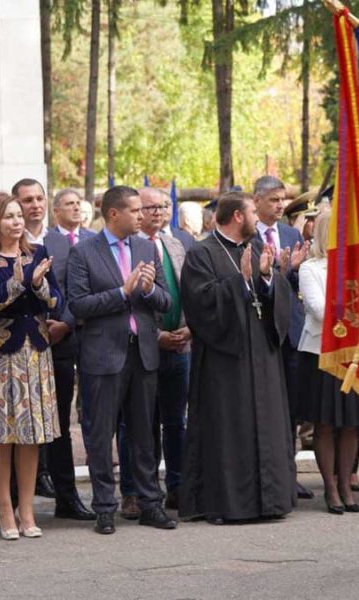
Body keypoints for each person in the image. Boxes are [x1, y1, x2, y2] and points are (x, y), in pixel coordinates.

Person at [179, 191, 295, 523]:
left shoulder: (257, 247)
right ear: (238, 217)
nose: (259, 219)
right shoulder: (201, 253)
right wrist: (240, 281)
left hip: (262, 353)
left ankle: (271, 501)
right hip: (225, 361)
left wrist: (269, 277)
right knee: (229, 428)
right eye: (253, 213)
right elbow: (200, 303)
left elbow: (275, 295)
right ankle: (225, 504)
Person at [68, 185, 176, 536]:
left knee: (145, 433)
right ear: (114, 214)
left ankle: (149, 504)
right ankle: (104, 507)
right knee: (100, 435)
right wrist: (121, 293)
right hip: (103, 355)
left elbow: (165, 302)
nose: (142, 216)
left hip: (143, 353)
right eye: (135, 210)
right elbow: (79, 306)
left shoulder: (146, 247)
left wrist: (147, 290)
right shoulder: (84, 252)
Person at [0, 192, 62, 540]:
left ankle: (27, 509)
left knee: (29, 435)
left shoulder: (38, 253)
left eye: (19, 215)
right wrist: (18, 281)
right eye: (8, 216)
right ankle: (5, 508)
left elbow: (56, 301)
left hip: (34, 353)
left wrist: (38, 283)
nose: (17, 221)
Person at [13, 179, 96, 520]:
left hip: (60, 341)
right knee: (19, 426)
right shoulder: (8, 243)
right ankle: (18, 503)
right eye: (26, 200)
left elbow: (74, 288)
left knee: (59, 423)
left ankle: (67, 498)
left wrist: (65, 323)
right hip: (18, 347)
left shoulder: (61, 242)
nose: (34, 205)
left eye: (39, 198)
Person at [296, 210, 359, 514]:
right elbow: (318, 309)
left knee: (352, 424)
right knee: (325, 424)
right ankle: (329, 487)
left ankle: (345, 484)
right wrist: (354, 310)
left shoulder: (358, 267)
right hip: (322, 354)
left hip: (354, 353)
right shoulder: (310, 269)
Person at [252, 176, 311, 500]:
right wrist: (278, 270)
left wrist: (293, 270)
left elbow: (300, 279)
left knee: (290, 409)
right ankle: (267, 473)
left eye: (283, 200)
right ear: (257, 200)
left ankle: (290, 473)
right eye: (274, 199)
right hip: (262, 333)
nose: (280, 206)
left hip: (291, 332)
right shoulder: (248, 237)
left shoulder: (290, 233)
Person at [138, 187, 191, 511]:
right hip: (146, 347)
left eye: (163, 207)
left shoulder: (175, 243)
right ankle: (139, 491)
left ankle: (178, 486)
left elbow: (189, 290)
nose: (158, 212)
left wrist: (189, 328)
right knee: (142, 423)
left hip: (180, 346)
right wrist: (155, 334)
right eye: (150, 207)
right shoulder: (131, 247)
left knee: (176, 422)